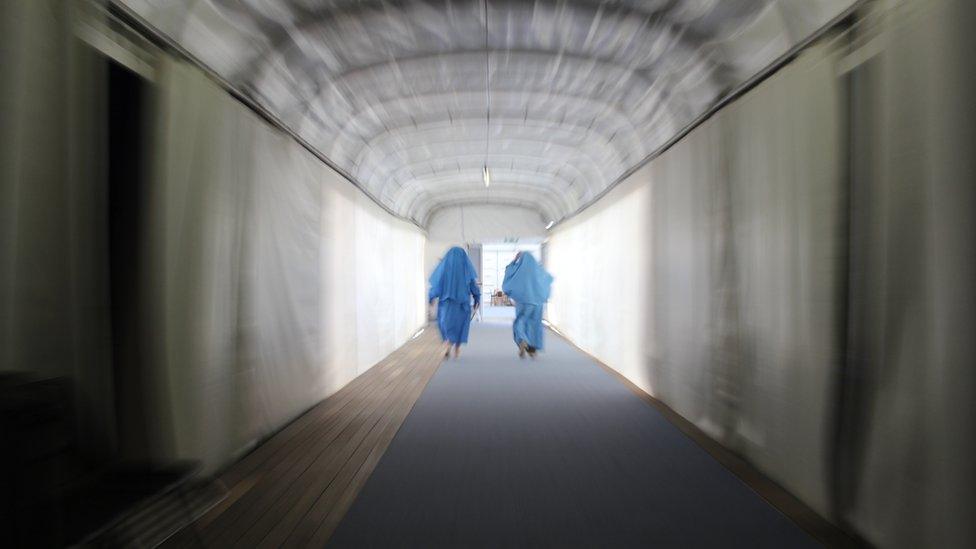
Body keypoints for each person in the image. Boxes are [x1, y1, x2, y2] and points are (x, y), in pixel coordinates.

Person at [428, 246, 480, 359]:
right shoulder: (466, 269)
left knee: (446, 325)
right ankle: (457, 347)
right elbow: (473, 286)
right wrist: (477, 298)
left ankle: (447, 343)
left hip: (447, 305)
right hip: (462, 305)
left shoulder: (444, 269)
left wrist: (431, 297)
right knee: (461, 326)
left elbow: (436, 286)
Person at [502, 251, 553, 358]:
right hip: (537, 302)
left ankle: (522, 339)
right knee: (535, 324)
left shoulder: (519, 269)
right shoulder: (538, 270)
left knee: (521, 320)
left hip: (523, 300)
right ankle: (532, 349)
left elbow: (509, 272)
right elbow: (548, 279)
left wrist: (514, 260)